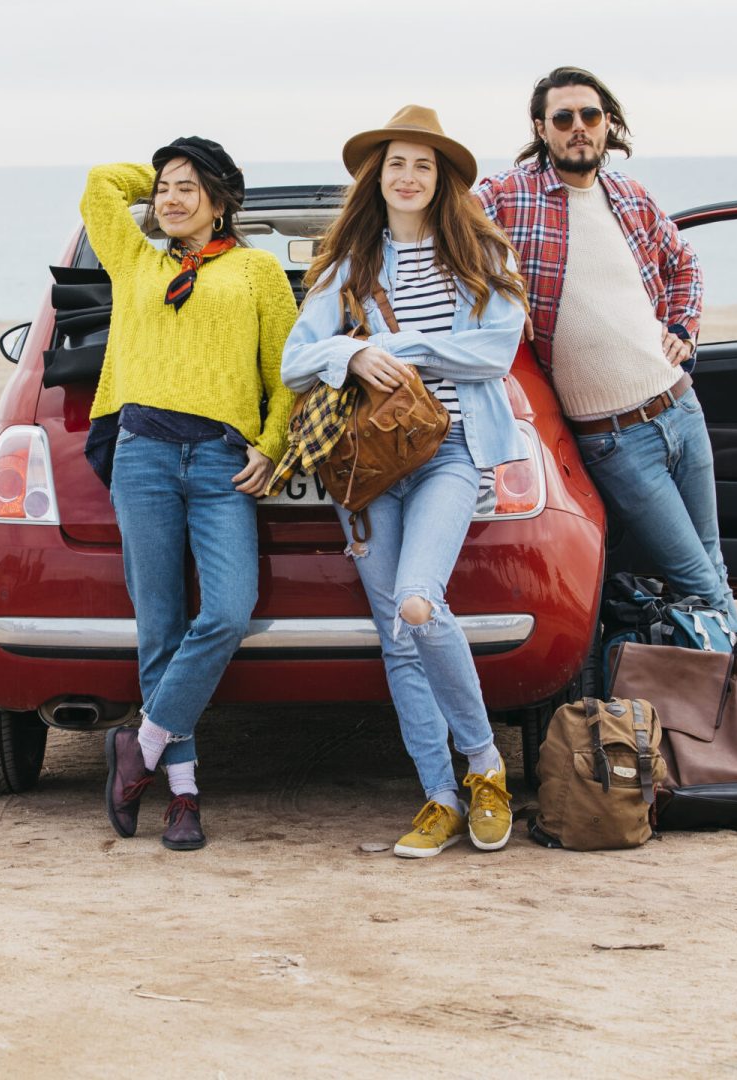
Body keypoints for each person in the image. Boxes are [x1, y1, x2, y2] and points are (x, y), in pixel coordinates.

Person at [473, 67, 737, 782]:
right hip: (614, 438)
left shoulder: (630, 197)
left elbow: (685, 264)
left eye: (589, 115)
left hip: (679, 409)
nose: (577, 128)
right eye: (562, 119)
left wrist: (682, 327)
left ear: (608, 122)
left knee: (715, 572)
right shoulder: (512, 196)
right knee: (701, 584)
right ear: (541, 131)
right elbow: (445, 218)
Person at [282, 106, 530, 857]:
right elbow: (297, 358)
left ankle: (486, 766)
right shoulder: (346, 268)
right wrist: (348, 358)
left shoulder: (481, 258)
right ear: (376, 178)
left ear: (444, 178)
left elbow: (494, 352)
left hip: (449, 453)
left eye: (424, 164)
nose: (409, 176)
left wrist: (392, 343)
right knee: (396, 637)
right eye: (396, 164)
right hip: (365, 470)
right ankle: (438, 796)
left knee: (420, 606)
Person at [82, 137, 298, 850]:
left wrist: (272, 446)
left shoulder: (257, 271)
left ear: (221, 198)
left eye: (189, 188)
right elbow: (98, 186)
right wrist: (159, 171)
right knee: (160, 627)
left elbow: (289, 374)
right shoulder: (136, 260)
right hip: (142, 457)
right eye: (165, 189)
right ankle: (182, 794)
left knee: (229, 612)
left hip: (220, 464)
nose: (171, 200)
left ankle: (138, 747)